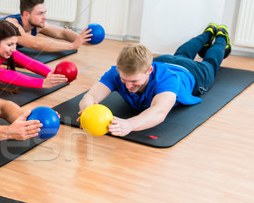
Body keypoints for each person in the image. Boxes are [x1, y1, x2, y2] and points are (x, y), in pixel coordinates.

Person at [78, 23, 232, 137]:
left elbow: (159, 111)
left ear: (149, 71)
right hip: (165, 60)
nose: (128, 86)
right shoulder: (115, 73)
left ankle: (220, 36)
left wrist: (129, 124)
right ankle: (207, 32)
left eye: (134, 81)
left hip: (192, 72)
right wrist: (87, 109)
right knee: (182, 53)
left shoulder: (168, 81)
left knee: (211, 62)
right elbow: (90, 96)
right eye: (124, 80)